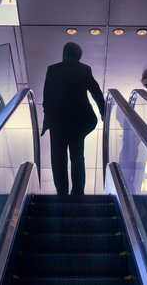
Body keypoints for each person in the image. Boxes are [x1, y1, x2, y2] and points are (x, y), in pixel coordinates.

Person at [42, 42, 105, 196]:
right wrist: (104, 113)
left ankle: (62, 192)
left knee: (58, 159)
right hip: (79, 122)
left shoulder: (53, 69)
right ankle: (78, 192)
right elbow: (96, 92)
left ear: (64, 53)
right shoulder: (84, 69)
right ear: (78, 56)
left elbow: (47, 98)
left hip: (58, 122)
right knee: (77, 157)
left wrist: (47, 120)